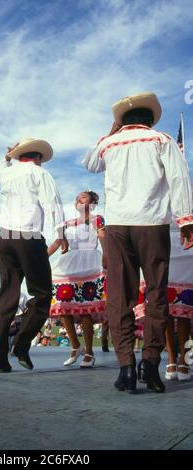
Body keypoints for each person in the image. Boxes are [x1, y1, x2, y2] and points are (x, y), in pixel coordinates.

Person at [83, 91, 193, 393]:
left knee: (120, 295)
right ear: (150, 119)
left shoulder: (109, 143)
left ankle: (126, 368)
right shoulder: (162, 140)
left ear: (121, 121)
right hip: (153, 225)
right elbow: (180, 179)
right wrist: (185, 219)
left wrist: (111, 131)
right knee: (156, 294)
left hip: (118, 226)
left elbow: (90, 163)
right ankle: (151, 363)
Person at [0, 138, 67, 372]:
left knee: (7, 297)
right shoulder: (39, 174)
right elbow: (52, 203)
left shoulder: (8, 173)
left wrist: (6, 158)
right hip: (28, 237)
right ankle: (21, 344)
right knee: (42, 295)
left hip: (6, 239)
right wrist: (61, 233)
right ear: (38, 158)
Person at [48, 190, 106, 368]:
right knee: (62, 306)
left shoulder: (97, 219)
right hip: (69, 263)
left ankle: (89, 351)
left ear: (92, 202)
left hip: (89, 261)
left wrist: (107, 256)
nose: (78, 198)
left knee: (84, 309)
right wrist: (40, 259)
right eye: (77, 197)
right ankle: (75, 346)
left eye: (83, 196)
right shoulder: (66, 223)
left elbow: (103, 237)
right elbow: (58, 243)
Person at [136, 223, 193, 381]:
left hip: (187, 241)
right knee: (165, 306)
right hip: (160, 239)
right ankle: (171, 360)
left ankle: (183, 360)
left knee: (184, 306)